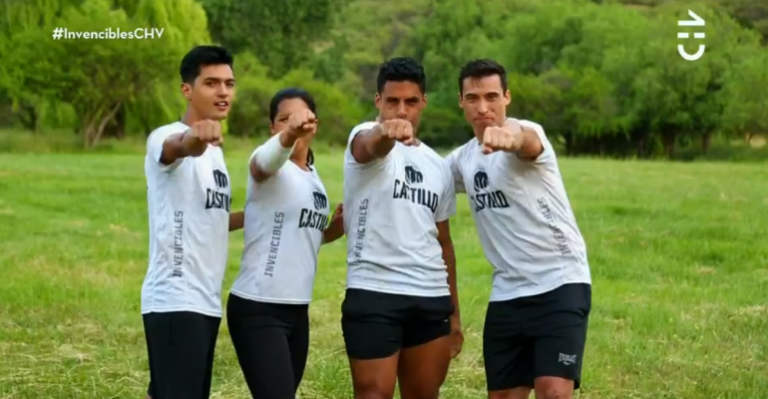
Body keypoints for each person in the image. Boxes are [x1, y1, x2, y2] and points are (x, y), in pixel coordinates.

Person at [444, 58, 592, 399]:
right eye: (473, 98)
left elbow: (526, 140)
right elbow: (426, 179)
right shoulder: (463, 160)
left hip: (560, 282)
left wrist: (508, 137)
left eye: (492, 97)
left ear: (507, 97)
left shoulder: (527, 133)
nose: (483, 107)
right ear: (461, 102)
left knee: (553, 392)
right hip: (507, 292)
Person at [341, 57, 463, 399]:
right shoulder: (364, 138)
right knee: (373, 394)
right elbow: (370, 145)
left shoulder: (437, 165)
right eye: (392, 101)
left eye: (410, 101)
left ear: (423, 101)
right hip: (374, 291)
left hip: (430, 295)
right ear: (378, 100)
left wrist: (454, 316)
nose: (401, 110)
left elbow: (444, 243)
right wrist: (385, 132)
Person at [226, 87, 345, 399]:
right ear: (272, 127)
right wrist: (290, 133)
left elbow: (305, 235)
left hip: (297, 310)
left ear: (314, 124)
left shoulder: (312, 176)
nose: (294, 123)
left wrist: (333, 229)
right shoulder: (269, 167)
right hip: (259, 307)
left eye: (301, 118)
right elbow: (261, 164)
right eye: (284, 119)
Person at [141, 45, 244, 399]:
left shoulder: (216, 152)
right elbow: (178, 146)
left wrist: (254, 216)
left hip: (205, 299)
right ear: (187, 89)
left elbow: (211, 217)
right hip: (175, 297)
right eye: (211, 83)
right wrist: (196, 137)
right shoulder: (165, 135)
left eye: (229, 84)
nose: (223, 92)